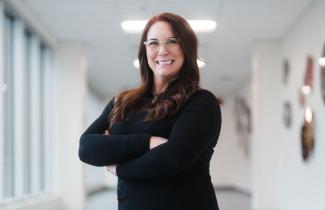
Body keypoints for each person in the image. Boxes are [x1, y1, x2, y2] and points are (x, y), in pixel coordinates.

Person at [78, 12, 222, 210]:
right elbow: (87, 148)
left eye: (172, 41)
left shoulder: (201, 102)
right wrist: (148, 142)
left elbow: (173, 159)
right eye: (153, 43)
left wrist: (119, 167)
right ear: (144, 50)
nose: (162, 50)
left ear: (186, 48)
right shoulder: (122, 102)